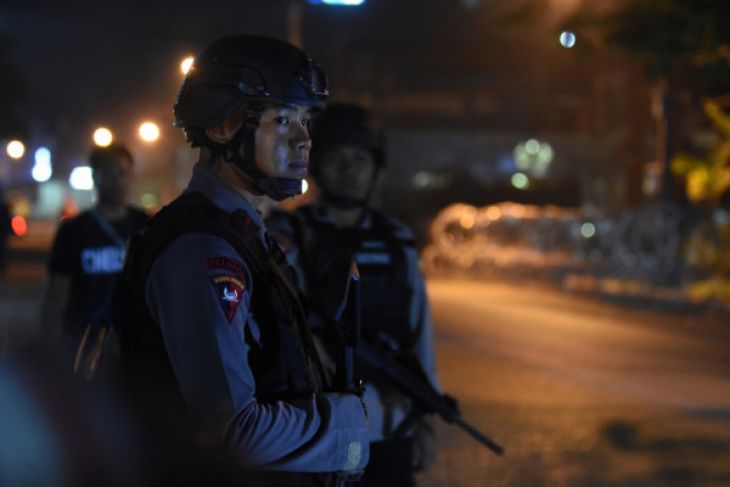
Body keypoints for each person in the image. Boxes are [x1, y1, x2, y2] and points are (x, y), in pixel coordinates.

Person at [112, 36, 368, 485]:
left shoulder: (244, 235)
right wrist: (351, 422)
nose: (304, 139)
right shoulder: (203, 250)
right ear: (222, 127)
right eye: (282, 118)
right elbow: (232, 432)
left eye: (306, 119)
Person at [267, 103, 440, 487]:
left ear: (376, 167)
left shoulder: (397, 241)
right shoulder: (288, 234)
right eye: (335, 158)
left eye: (360, 158)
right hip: (316, 429)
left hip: (391, 426)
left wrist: (427, 416)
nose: (349, 170)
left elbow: (419, 333)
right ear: (314, 163)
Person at [41, 143, 148, 356]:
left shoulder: (146, 226)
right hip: (82, 342)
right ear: (95, 177)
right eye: (107, 173)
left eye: (122, 172)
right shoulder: (74, 231)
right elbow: (56, 293)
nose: (117, 180)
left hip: (134, 345)